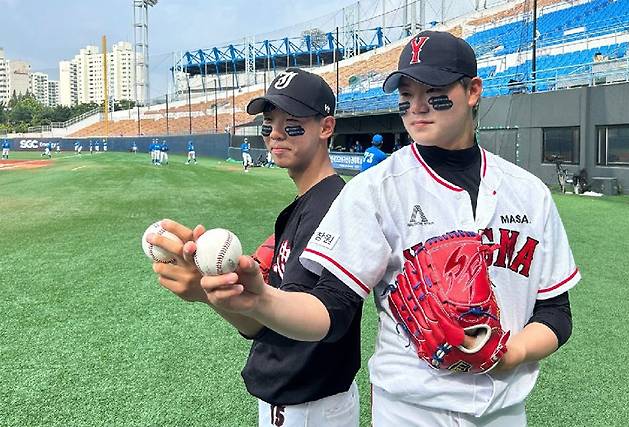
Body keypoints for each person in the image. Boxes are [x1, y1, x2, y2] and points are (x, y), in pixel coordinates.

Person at [195, 31, 580, 426]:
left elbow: (555, 313)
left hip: (504, 413)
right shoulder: (375, 190)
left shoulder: (530, 193)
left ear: (473, 91)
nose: (418, 107)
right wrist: (262, 301)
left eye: (435, 93)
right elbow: (333, 308)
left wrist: (510, 353)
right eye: (406, 96)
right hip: (409, 411)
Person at [147, 68, 362, 426]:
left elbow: (306, 321)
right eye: (268, 124)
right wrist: (209, 290)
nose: (276, 134)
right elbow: (263, 323)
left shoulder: (329, 206)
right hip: (301, 403)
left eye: (292, 124)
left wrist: (216, 293)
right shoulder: (309, 202)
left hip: (310, 407)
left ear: (326, 128)